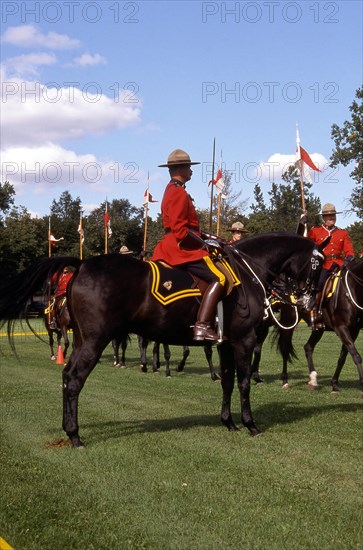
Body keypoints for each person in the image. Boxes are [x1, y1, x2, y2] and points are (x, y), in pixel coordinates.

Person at [151, 148, 226, 342]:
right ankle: (201, 326)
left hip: (178, 243)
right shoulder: (178, 193)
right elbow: (180, 231)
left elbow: (189, 227)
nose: (192, 171)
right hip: (180, 248)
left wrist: (212, 238)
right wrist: (205, 245)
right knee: (220, 278)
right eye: (189, 167)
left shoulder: (174, 190)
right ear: (181, 169)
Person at [307, 203, 355, 329]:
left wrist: (350, 258)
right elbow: (306, 244)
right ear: (323, 217)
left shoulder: (342, 233)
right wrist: (303, 225)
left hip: (339, 264)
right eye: (328, 216)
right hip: (323, 265)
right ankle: (317, 313)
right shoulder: (315, 231)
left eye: (333, 215)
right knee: (320, 285)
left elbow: (349, 250)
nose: (331, 218)